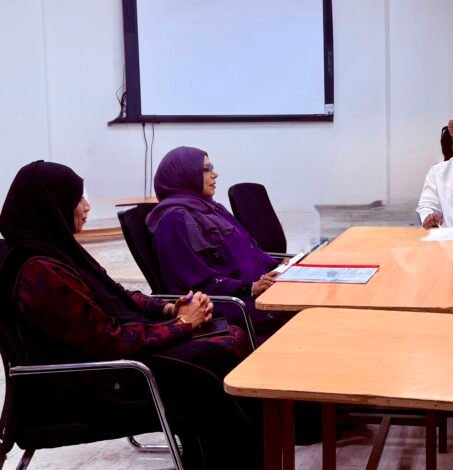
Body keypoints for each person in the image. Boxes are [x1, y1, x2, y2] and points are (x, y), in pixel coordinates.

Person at [0, 161, 262, 469]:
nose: (86, 207)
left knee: (225, 338)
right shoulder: (39, 271)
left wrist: (170, 309)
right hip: (89, 386)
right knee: (211, 363)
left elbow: (120, 295)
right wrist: (182, 325)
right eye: (77, 199)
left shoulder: (57, 251)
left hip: (110, 368)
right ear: (51, 206)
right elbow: (107, 341)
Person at [146, 146, 292, 341]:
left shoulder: (215, 209)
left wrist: (278, 267)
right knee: (304, 312)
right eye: (206, 169)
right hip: (228, 304)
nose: (215, 174)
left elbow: (249, 248)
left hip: (254, 292)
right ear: (184, 176)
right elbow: (197, 281)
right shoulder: (174, 221)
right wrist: (249, 288)